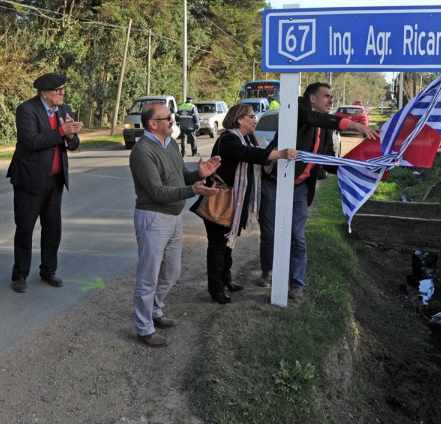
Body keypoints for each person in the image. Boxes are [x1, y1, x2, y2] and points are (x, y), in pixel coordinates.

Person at [257, 82, 379, 297]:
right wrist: (356, 126)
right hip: (275, 183)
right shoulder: (298, 108)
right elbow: (311, 119)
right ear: (312, 98)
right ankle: (268, 271)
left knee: (297, 236)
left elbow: (328, 161)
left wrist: (361, 166)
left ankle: (297, 283)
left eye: (331, 96)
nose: (330, 100)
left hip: (300, 188)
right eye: (326, 96)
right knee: (270, 234)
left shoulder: (324, 126)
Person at [129, 102, 220, 347]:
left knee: (171, 272)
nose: (173, 119)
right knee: (148, 276)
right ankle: (143, 327)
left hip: (173, 217)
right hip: (153, 217)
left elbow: (182, 178)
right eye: (168, 117)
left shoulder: (169, 144)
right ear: (153, 124)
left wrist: (200, 173)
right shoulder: (142, 151)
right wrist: (192, 189)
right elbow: (158, 191)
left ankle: (155, 311)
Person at [191, 104, 297, 305]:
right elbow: (249, 155)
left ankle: (226, 280)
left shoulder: (246, 137)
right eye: (251, 116)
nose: (255, 120)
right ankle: (216, 290)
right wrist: (279, 153)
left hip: (235, 202)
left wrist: (274, 146)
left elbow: (256, 155)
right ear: (239, 119)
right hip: (220, 200)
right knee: (218, 246)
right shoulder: (228, 139)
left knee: (228, 244)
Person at [7, 72, 83, 293]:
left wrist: (70, 136)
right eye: (58, 91)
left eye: (63, 90)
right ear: (45, 93)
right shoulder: (26, 110)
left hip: (55, 180)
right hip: (30, 180)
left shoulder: (64, 110)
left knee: (53, 228)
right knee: (25, 227)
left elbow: (74, 144)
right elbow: (31, 141)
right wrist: (61, 131)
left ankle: (49, 270)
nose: (62, 94)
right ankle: (20, 274)